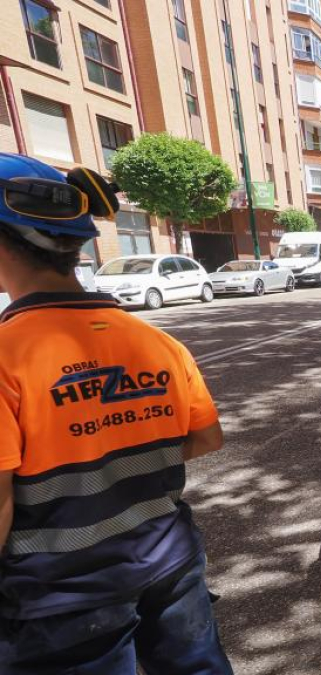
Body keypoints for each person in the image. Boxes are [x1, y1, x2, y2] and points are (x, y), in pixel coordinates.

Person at [0, 153, 233, 674]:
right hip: (168, 559)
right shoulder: (156, 343)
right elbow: (208, 437)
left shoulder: (6, 355)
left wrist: (86, 438)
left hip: (62, 595)